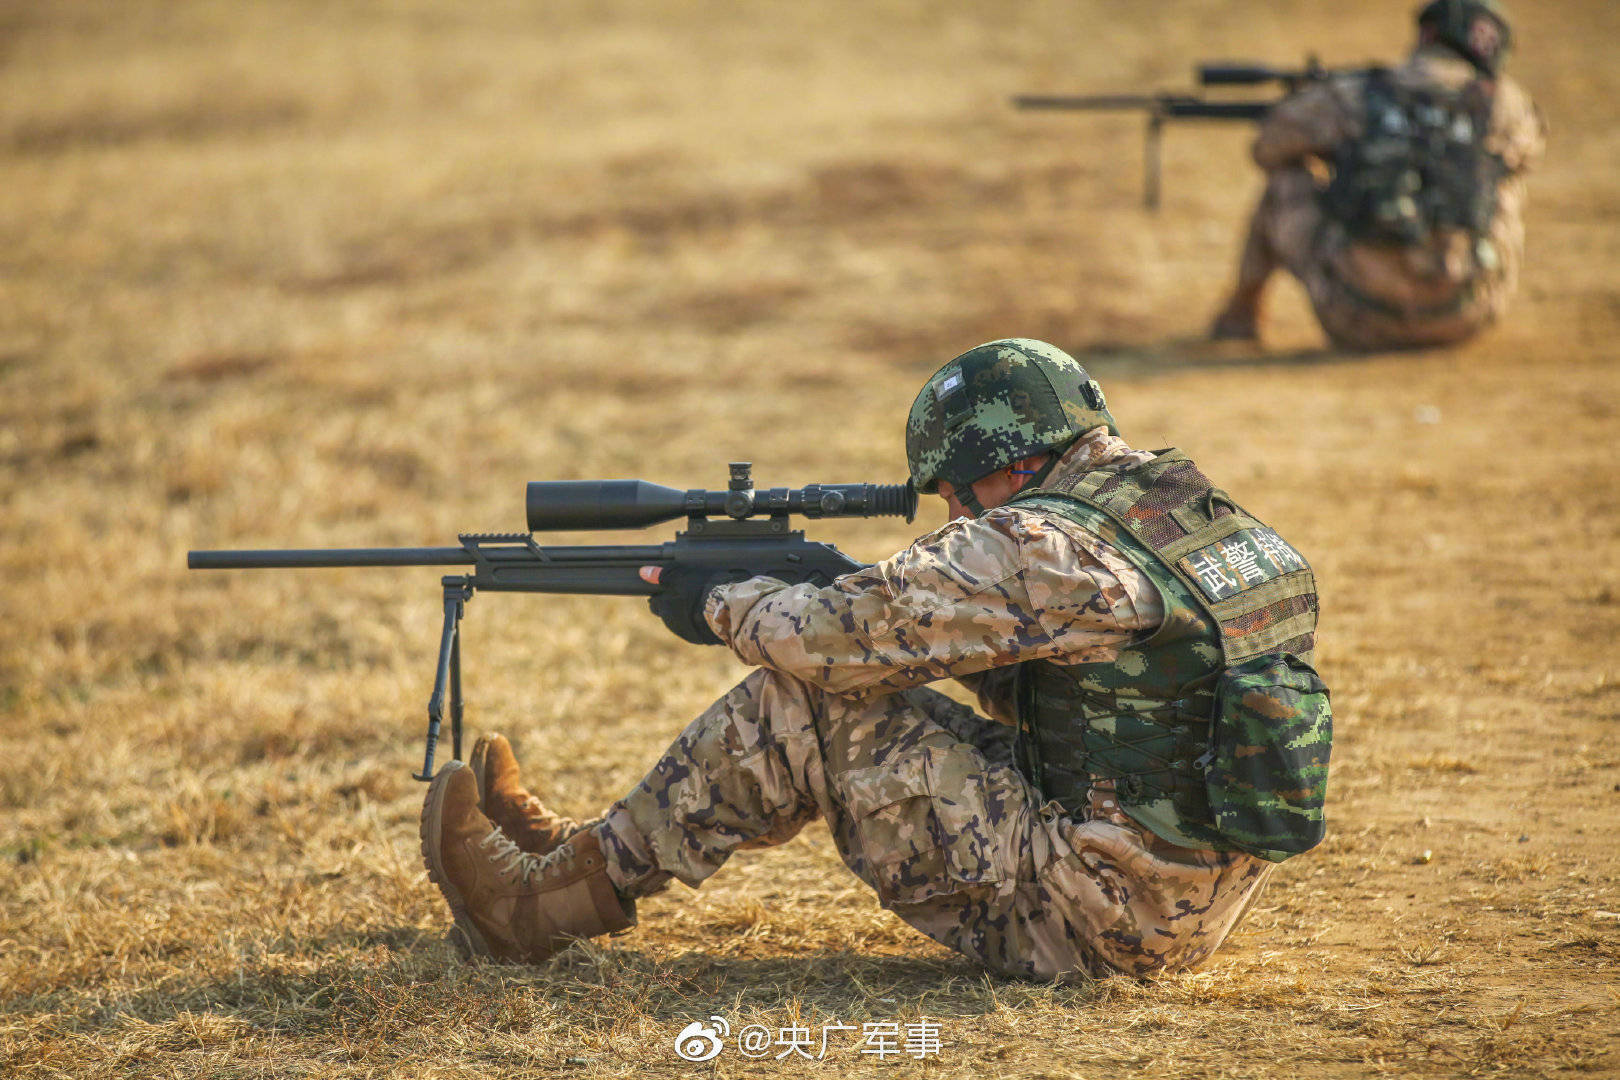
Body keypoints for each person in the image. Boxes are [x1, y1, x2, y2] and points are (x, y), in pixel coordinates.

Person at [418, 338, 1332, 980]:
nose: (951, 518)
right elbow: (1064, 689)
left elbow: (825, 646)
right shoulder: (1180, 512)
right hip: (1171, 896)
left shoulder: (1037, 546)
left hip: (1095, 920)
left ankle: (537, 908)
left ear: (999, 463)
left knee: (803, 705)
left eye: (951, 495)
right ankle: (589, 854)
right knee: (854, 690)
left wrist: (714, 598)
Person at [1210, 0, 1546, 350]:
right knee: (1503, 178)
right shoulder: (1508, 104)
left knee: (1285, 182)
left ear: (1427, 33)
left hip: (1356, 318)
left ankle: (1240, 315)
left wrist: (1344, 154)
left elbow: (1267, 148)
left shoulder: (1356, 92)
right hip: (1468, 315)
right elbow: (1526, 155)